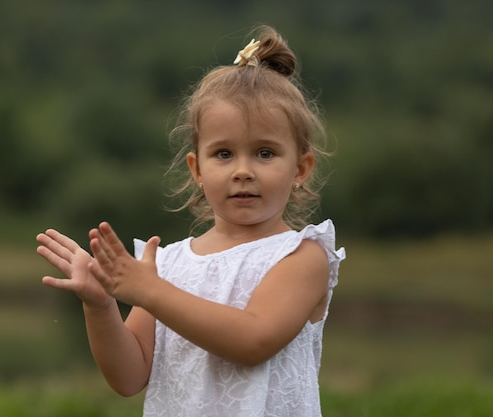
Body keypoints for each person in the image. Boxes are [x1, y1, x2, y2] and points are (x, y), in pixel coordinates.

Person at [36, 25, 345, 417]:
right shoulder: (166, 265)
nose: (243, 171)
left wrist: (150, 292)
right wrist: (100, 306)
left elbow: (253, 340)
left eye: (265, 153)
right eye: (223, 154)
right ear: (196, 169)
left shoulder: (302, 258)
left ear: (300, 168)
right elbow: (129, 377)